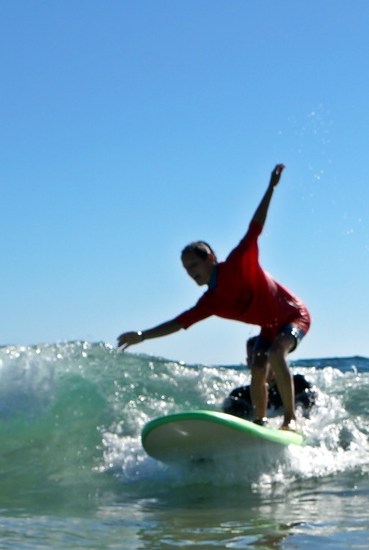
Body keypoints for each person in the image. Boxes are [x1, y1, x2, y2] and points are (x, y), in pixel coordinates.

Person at [119, 164, 311, 430]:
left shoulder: (237, 263)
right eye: (186, 269)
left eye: (194, 265)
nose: (190, 273)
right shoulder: (210, 302)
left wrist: (271, 188)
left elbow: (255, 226)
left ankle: (290, 419)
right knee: (258, 365)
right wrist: (142, 336)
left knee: (277, 352)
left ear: (210, 258)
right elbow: (178, 323)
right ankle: (260, 422)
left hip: (294, 315)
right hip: (270, 326)